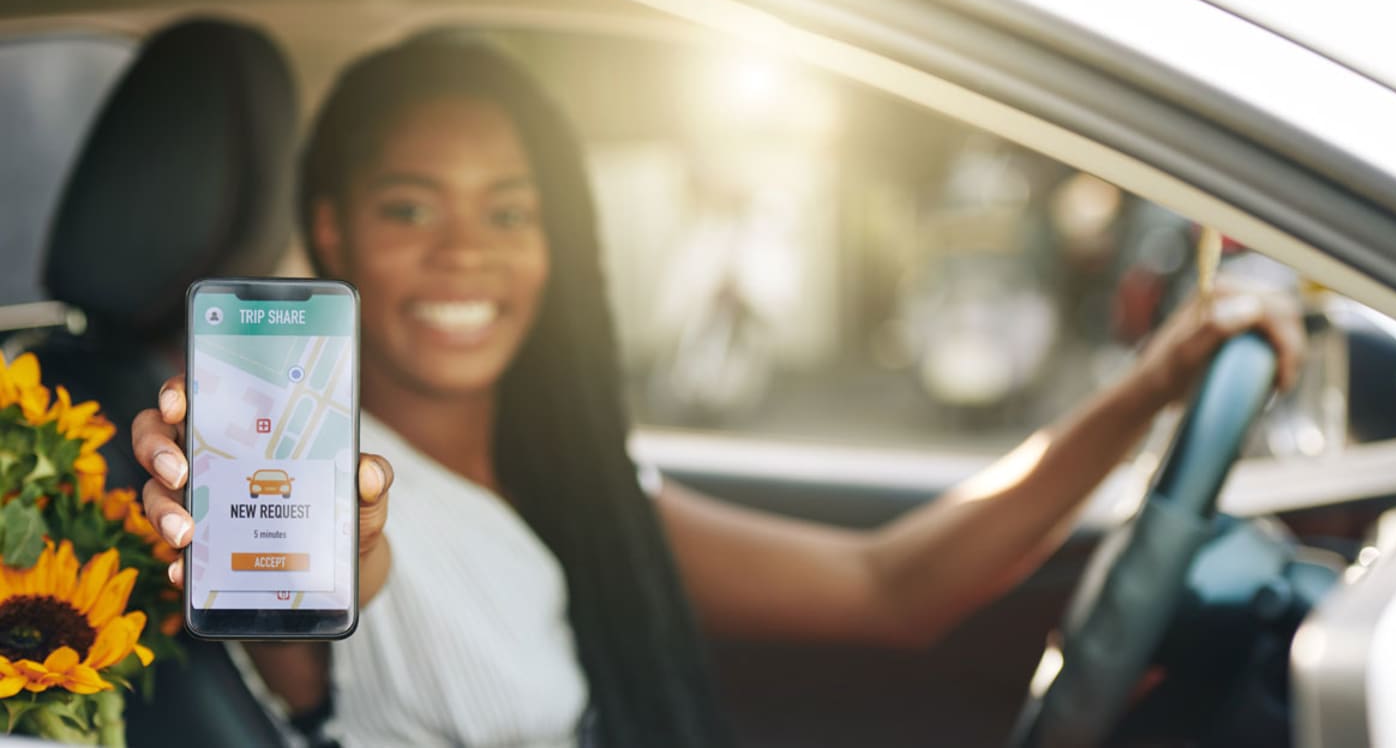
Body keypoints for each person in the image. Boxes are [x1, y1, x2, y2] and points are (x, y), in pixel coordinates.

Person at [129, 37, 1304, 747]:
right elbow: (307, 633)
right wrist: (297, 552)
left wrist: (1152, 386)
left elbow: (888, 586)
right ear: (331, 228)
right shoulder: (313, 473)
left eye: (509, 210)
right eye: (407, 207)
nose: (464, 254)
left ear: (560, 241)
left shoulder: (570, 478)